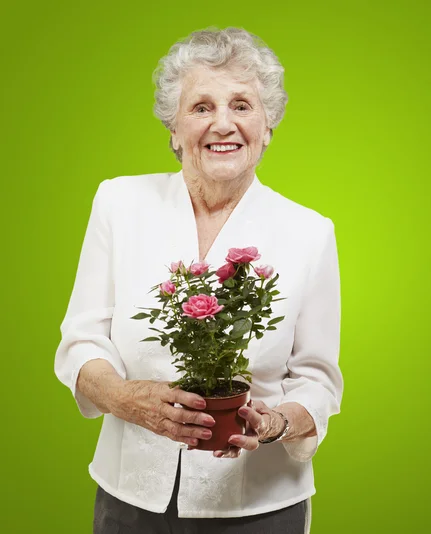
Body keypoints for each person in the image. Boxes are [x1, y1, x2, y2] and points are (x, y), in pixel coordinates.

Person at [54, 27, 343, 534]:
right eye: (201, 107)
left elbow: (317, 379)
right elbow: (82, 338)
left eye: (242, 105)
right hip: (130, 497)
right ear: (173, 127)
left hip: (258, 507)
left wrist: (276, 424)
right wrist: (124, 399)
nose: (223, 124)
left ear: (268, 125)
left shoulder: (310, 232)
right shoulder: (119, 204)